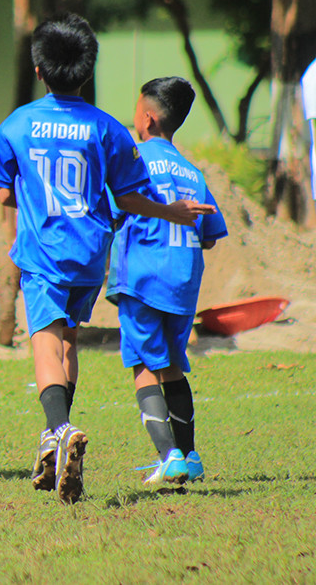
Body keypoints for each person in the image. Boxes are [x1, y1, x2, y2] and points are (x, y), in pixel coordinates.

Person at [0, 13, 216, 503]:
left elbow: (3, 192)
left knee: (44, 342)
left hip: (44, 250)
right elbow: (129, 198)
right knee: (68, 342)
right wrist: (171, 212)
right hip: (89, 256)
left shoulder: (16, 124)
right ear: (86, 73)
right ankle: (61, 431)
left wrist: (20, 217)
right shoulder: (108, 129)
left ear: (40, 70)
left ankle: (56, 430)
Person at [107, 77, 226, 485]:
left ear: (148, 118)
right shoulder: (192, 171)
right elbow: (210, 235)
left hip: (142, 275)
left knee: (143, 366)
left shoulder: (133, 158)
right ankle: (191, 456)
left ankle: (167, 456)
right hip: (183, 279)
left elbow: (114, 209)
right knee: (173, 367)